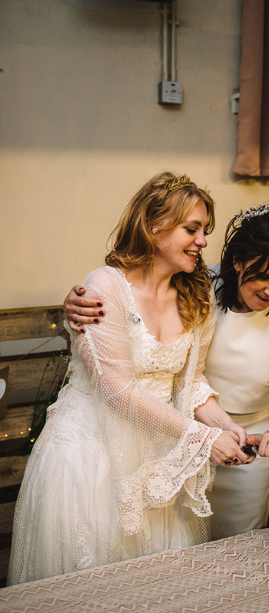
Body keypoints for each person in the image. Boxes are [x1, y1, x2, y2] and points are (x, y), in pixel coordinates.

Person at [8, 172, 252, 585]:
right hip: (90, 459)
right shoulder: (104, 286)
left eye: (205, 230)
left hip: (154, 456)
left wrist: (226, 426)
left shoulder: (197, 294)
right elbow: (117, 390)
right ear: (154, 229)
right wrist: (202, 440)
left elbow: (190, 383)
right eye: (192, 229)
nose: (204, 241)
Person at [65, 204, 269, 539]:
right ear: (237, 261)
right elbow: (133, 291)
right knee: (173, 542)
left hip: (248, 444)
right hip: (175, 432)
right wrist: (77, 301)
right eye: (263, 276)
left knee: (238, 543)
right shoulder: (197, 282)